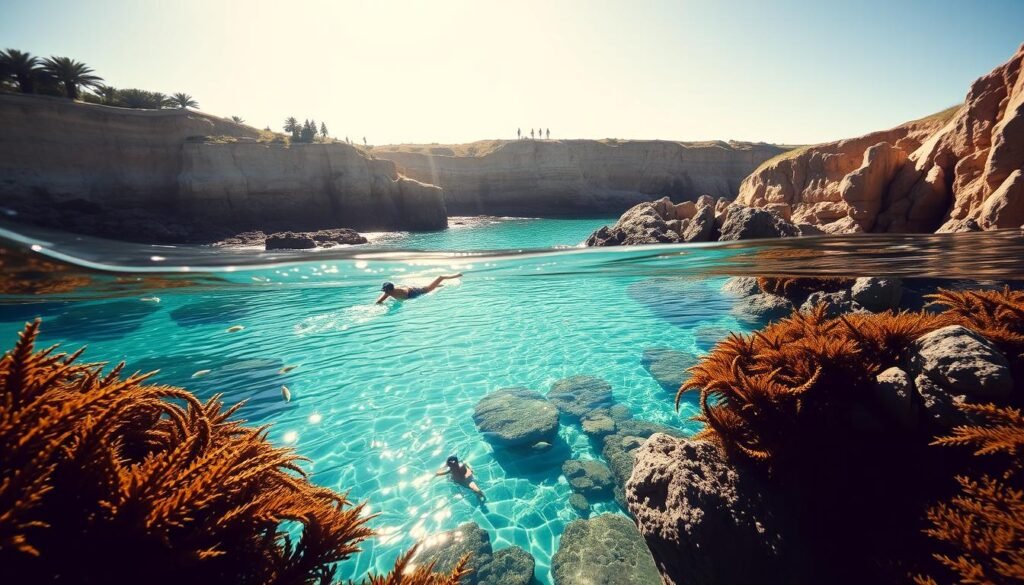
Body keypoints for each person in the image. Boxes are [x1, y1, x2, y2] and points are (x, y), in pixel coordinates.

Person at [376, 273, 462, 303]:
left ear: (392, 290)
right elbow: (380, 300)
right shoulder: (388, 292)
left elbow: (406, 295)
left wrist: (402, 299)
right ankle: (437, 286)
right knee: (433, 286)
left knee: (440, 278)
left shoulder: (401, 292)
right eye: (385, 291)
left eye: (387, 291)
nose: (385, 292)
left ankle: (457, 275)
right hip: (410, 289)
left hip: (420, 291)